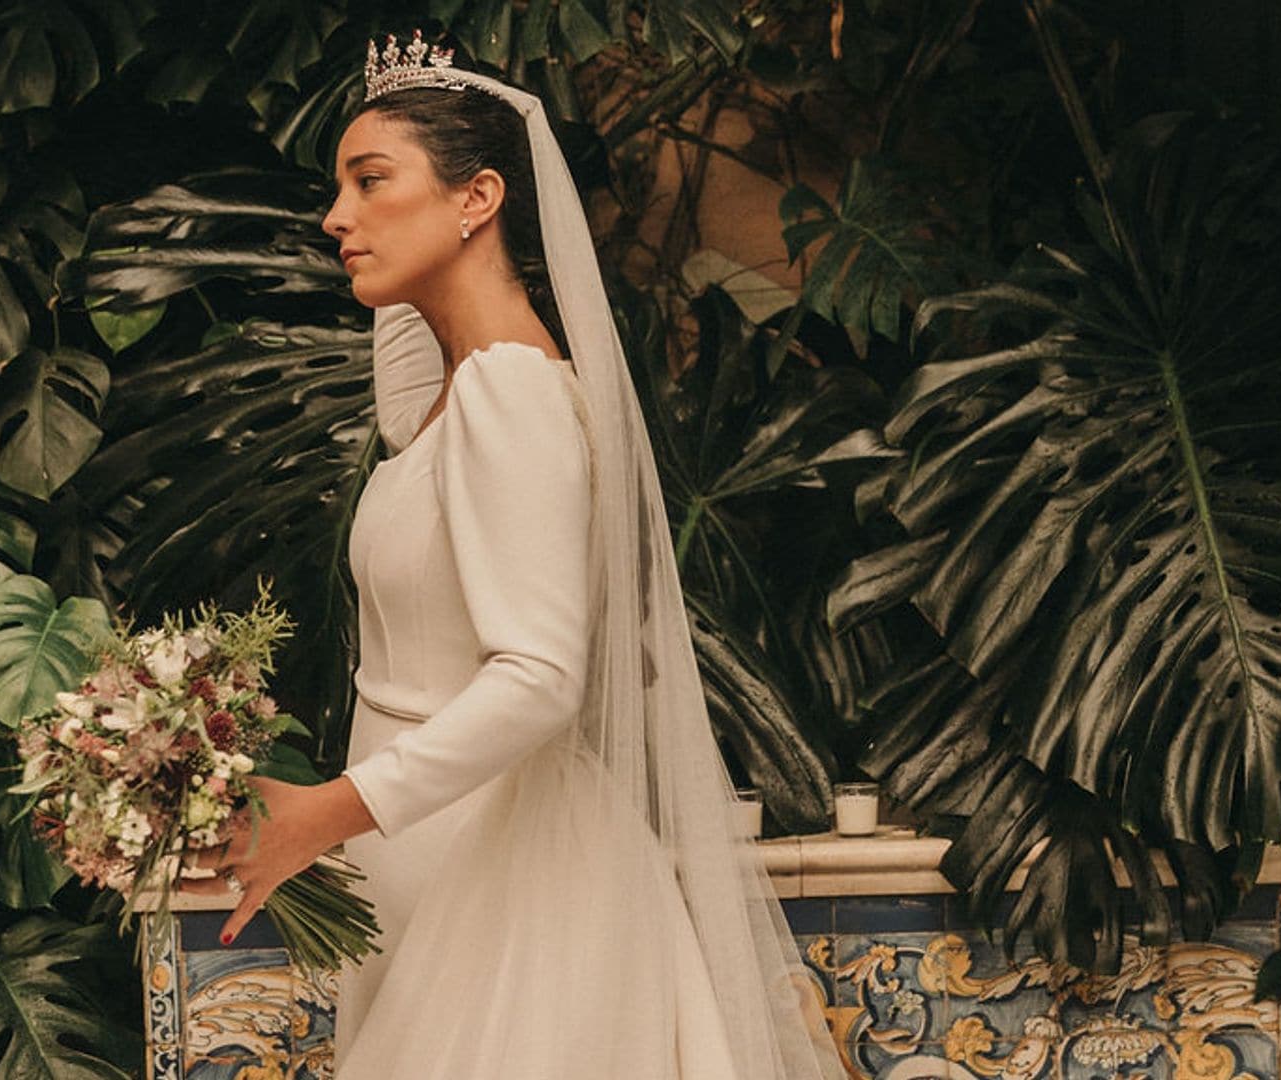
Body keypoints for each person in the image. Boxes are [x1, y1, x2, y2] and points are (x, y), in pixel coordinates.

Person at [185, 29, 847, 1080]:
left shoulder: (513, 395)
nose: (336, 218)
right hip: (434, 875)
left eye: (370, 180)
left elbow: (541, 679)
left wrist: (324, 812)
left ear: (476, 199)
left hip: (515, 898)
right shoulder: (449, 404)